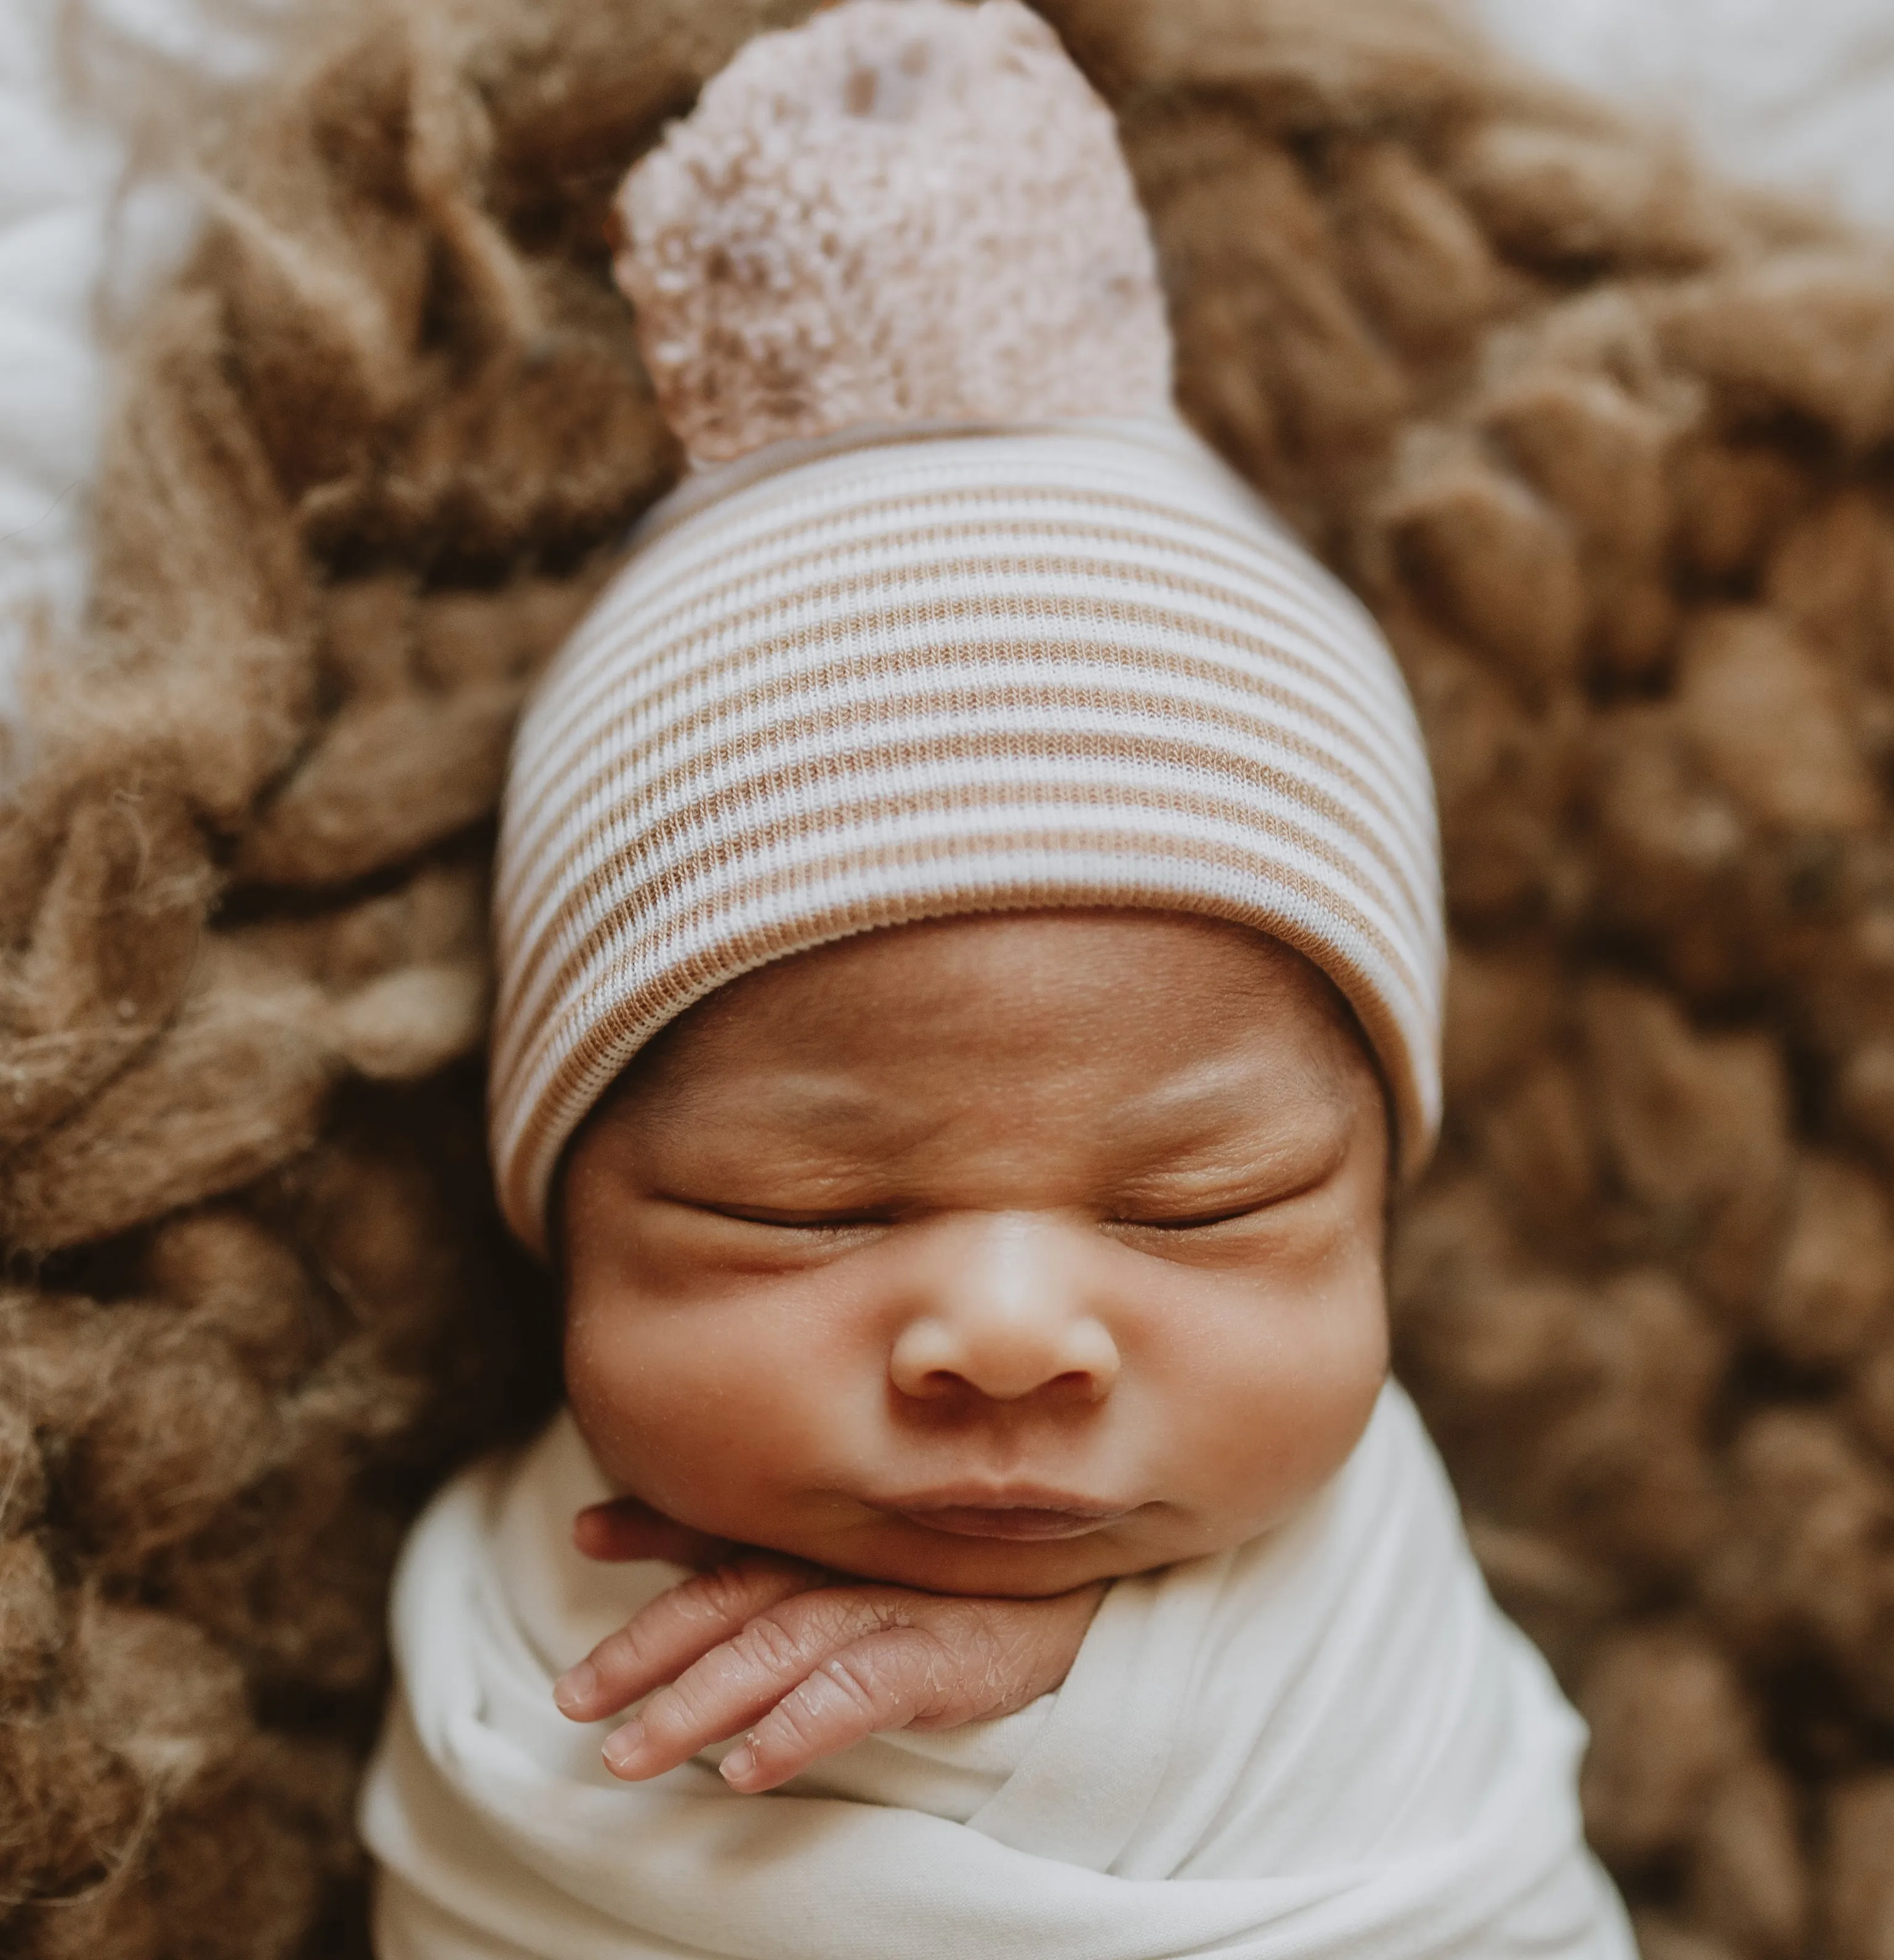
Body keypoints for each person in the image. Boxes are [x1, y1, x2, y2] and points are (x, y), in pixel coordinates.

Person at [360, 4, 1637, 1954]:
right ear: (558, 1213)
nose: (1015, 1335)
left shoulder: (1365, 1588)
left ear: (1379, 1203)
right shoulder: (506, 1661)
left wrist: (1077, 1685)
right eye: (808, 1207)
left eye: (1203, 1204)